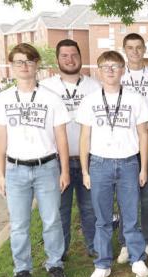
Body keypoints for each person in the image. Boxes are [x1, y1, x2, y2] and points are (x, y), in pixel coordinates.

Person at [0, 43, 70, 277]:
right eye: (19, 62)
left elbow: (61, 136)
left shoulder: (51, 98)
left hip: (47, 167)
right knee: (19, 224)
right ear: (11, 66)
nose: (24, 66)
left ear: (37, 64)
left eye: (29, 61)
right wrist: (0, 173)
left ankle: (55, 265)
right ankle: (22, 270)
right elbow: (1, 138)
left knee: (52, 220)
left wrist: (64, 170)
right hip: (16, 169)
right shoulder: (3, 99)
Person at [77, 50, 148, 277]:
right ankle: (103, 264)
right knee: (102, 219)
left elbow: (143, 134)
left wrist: (143, 168)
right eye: (105, 66)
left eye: (115, 66)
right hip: (99, 164)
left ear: (123, 70)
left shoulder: (135, 98)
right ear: (99, 71)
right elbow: (84, 137)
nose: (110, 70)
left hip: (129, 162)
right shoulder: (90, 100)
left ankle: (137, 258)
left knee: (131, 215)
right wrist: (86, 170)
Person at [40, 39, 100, 260]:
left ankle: (95, 246)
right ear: (57, 59)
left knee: (90, 208)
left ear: (81, 57)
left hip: (89, 158)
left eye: (74, 54)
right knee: (59, 211)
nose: (70, 59)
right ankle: (60, 251)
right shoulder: (46, 88)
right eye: (64, 55)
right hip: (57, 161)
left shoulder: (94, 86)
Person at [117, 32, 148, 264]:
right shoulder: (117, 75)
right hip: (123, 146)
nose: (134, 51)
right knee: (126, 198)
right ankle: (126, 243)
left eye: (138, 47)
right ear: (125, 50)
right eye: (130, 48)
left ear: (144, 50)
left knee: (147, 196)